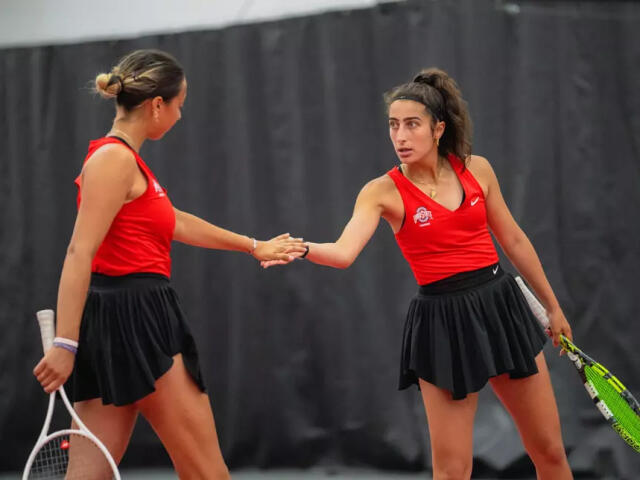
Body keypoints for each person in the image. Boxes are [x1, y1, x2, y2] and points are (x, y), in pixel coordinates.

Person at [263, 68, 574, 479]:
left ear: (438, 128)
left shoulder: (477, 170)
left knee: (549, 450)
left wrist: (553, 308)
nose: (401, 137)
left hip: (503, 309)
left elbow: (514, 241)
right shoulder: (381, 192)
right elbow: (342, 252)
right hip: (443, 324)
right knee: (451, 471)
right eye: (394, 126)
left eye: (412, 125)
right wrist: (301, 248)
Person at [32, 49, 306, 479]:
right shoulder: (113, 160)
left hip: (116, 319)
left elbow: (173, 220)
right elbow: (78, 253)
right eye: (179, 105)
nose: (180, 116)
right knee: (207, 474)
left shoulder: (127, 162)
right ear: (157, 104)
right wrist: (66, 345)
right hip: (137, 318)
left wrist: (253, 245)